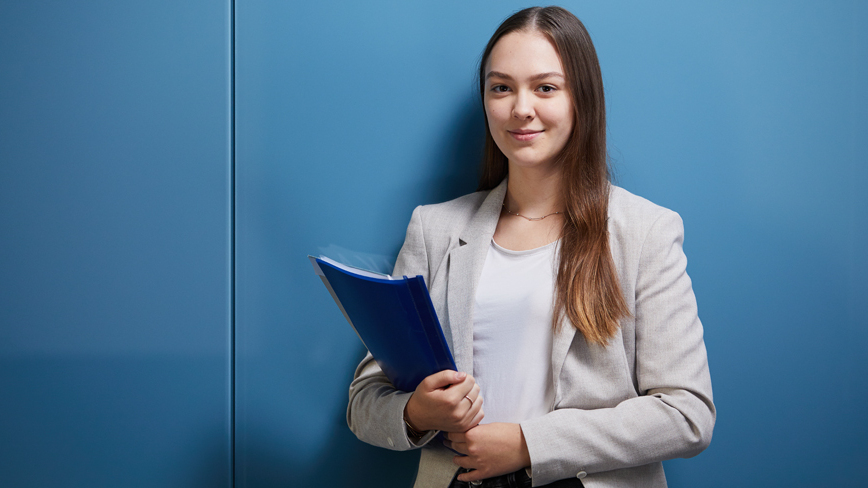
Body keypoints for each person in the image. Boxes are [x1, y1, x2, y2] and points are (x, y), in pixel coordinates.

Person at [347, 6, 715, 488]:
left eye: (545, 87)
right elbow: (363, 402)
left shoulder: (645, 231)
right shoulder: (434, 228)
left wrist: (528, 443)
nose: (521, 108)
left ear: (581, 98)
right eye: (501, 87)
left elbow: (687, 414)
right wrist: (416, 411)